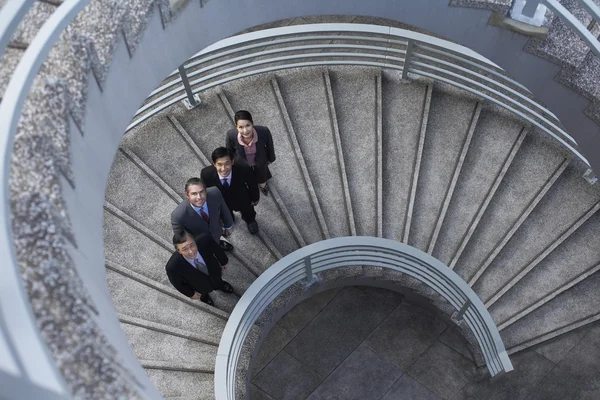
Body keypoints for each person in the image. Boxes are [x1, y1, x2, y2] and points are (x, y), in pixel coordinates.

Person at [201, 147, 260, 234]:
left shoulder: (243, 168)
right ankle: (230, 219)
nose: (223, 168)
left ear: (232, 162)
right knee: (226, 215)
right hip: (222, 202)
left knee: (248, 212)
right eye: (219, 164)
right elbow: (206, 192)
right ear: (214, 164)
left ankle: (250, 221)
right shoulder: (206, 174)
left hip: (242, 198)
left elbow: (252, 184)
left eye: (227, 163)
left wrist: (255, 198)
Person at [166, 231, 234, 306]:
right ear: (179, 251)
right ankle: (204, 297)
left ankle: (221, 284)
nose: (191, 251)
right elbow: (178, 284)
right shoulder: (173, 267)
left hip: (213, 270)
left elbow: (216, 249)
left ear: (194, 240)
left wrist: (224, 261)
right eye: (185, 249)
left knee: (217, 279)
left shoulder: (204, 239)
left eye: (192, 245)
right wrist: (191, 294)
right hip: (198, 285)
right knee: (202, 292)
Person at [171, 177, 234, 251]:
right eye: (194, 193)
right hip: (199, 243)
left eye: (201, 192)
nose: (199, 197)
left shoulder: (215, 193)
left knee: (216, 243)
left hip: (216, 231)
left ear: (206, 191)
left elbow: (224, 209)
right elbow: (180, 239)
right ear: (187, 195)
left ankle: (218, 244)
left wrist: (228, 225)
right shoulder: (178, 216)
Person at [226, 110, 276, 196]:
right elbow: (229, 151)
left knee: (262, 174)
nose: (245, 131)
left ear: (252, 123)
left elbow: (270, 146)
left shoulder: (263, 131)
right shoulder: (231, 135)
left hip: (260, 159)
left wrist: (271, 158)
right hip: (242, 161)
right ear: (236, 127)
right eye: (240, 127)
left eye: (248, 125)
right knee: (247, 176)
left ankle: (263, 185)